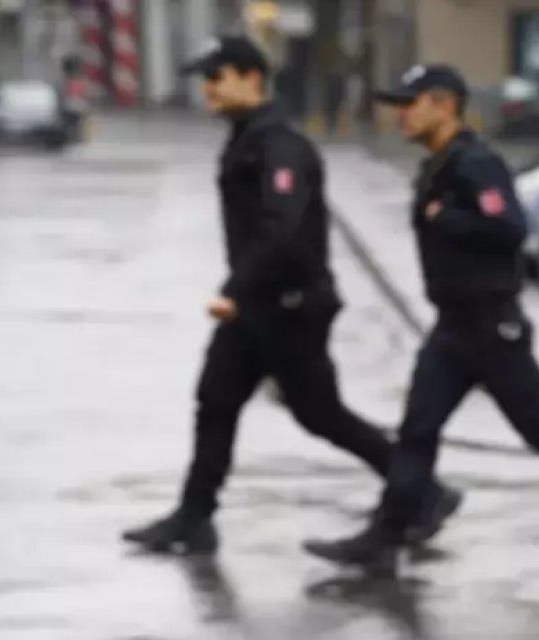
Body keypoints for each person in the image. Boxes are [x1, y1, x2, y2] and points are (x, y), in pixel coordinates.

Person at [302, 64, 539, 575]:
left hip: (491, 328)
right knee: (418, 431)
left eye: (409, 103)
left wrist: (450, 217)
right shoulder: (439, 163)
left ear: (444, 104)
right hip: (453, 327)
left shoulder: (475, 163)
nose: (400, 114)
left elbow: (509, 227)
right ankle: (386, 535)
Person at [120, 37, 399, 554]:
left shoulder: (280, 146)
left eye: (216, 76)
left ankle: (418, 489)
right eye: (204, 78)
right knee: (215, 401)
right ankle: (194, 516)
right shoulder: (248, 137)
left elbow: (283, 228)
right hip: (256, 305)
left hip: (291, 304)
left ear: (251, 78)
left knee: (320, 414)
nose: (207, 88)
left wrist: (233, 289)